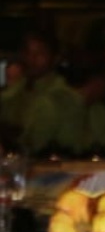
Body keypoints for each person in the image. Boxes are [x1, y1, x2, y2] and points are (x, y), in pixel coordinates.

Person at [0, 27, 88, 156]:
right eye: (27, 52)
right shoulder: (16, 92)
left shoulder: (62, 97)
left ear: (55, 58)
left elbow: (33, 144)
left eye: (40, 53)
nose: (31, 59)